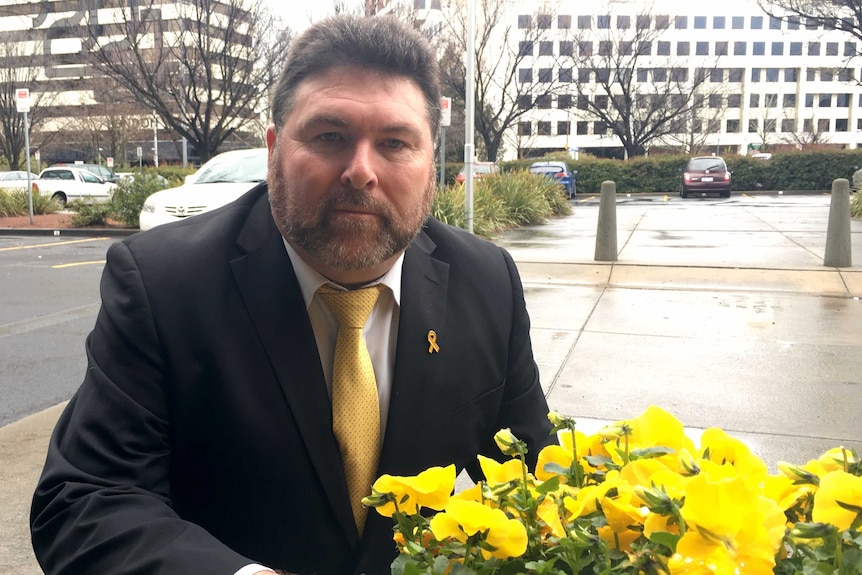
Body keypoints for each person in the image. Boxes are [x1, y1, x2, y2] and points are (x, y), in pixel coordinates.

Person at [30, 14, 552, 575]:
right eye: (330, 136)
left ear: (431, 167)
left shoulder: (487, 280)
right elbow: (85, 499)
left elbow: (535, 479)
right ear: (276, 148)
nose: (360, 171)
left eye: (395, 143)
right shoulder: (163, 285)